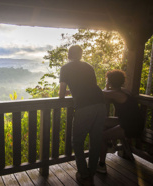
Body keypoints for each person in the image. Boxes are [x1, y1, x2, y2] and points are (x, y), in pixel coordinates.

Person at [59, 45, 106, 185]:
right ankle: (91, 171)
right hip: (101, 104)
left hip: (84, 107)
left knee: (77, 141)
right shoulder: (88, 66)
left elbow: (61, 94)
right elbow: (89, 86)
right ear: (80, 54)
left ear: (69, 54)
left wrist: (66, 93)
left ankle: (84, 174)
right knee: (95, 139)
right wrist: (73, 91)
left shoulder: (65, 68)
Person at [96, 70, 145, 174]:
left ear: (110, 82)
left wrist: (107, 86)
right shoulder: (124, 91)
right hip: (131, 121)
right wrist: (108, 86)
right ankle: (109, 144)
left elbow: (97, 93)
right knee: (102, 121)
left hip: (131, 126)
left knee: (101, 135)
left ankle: (101, 165)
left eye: (107, 80)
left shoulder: (115, 94)